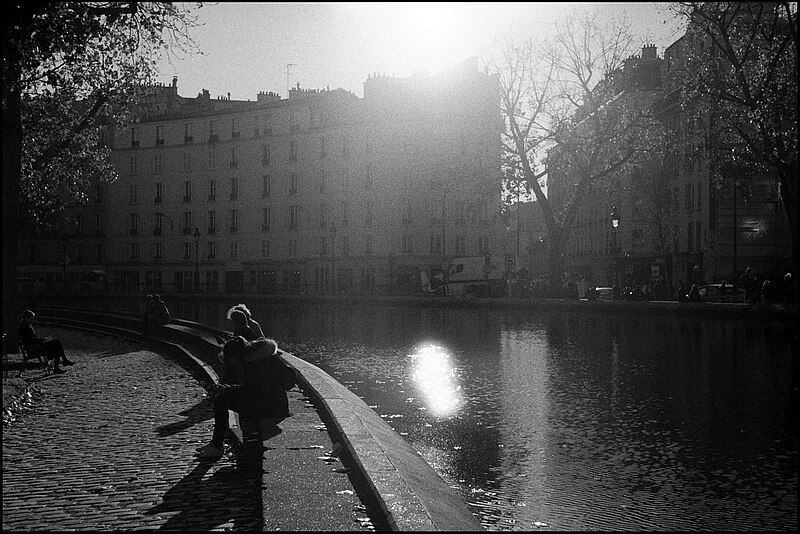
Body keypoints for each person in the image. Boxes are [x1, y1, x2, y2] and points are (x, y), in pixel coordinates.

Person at [195, 336, 297, 461]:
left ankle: (216, 445)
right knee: (223, 398)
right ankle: (216, 443)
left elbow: (251, 391)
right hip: (274, 404)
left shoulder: (252, 365)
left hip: (270, 408)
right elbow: (254, 389)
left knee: (221, 400)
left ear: (235, 356)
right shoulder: (261, 358)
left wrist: (226, 389)